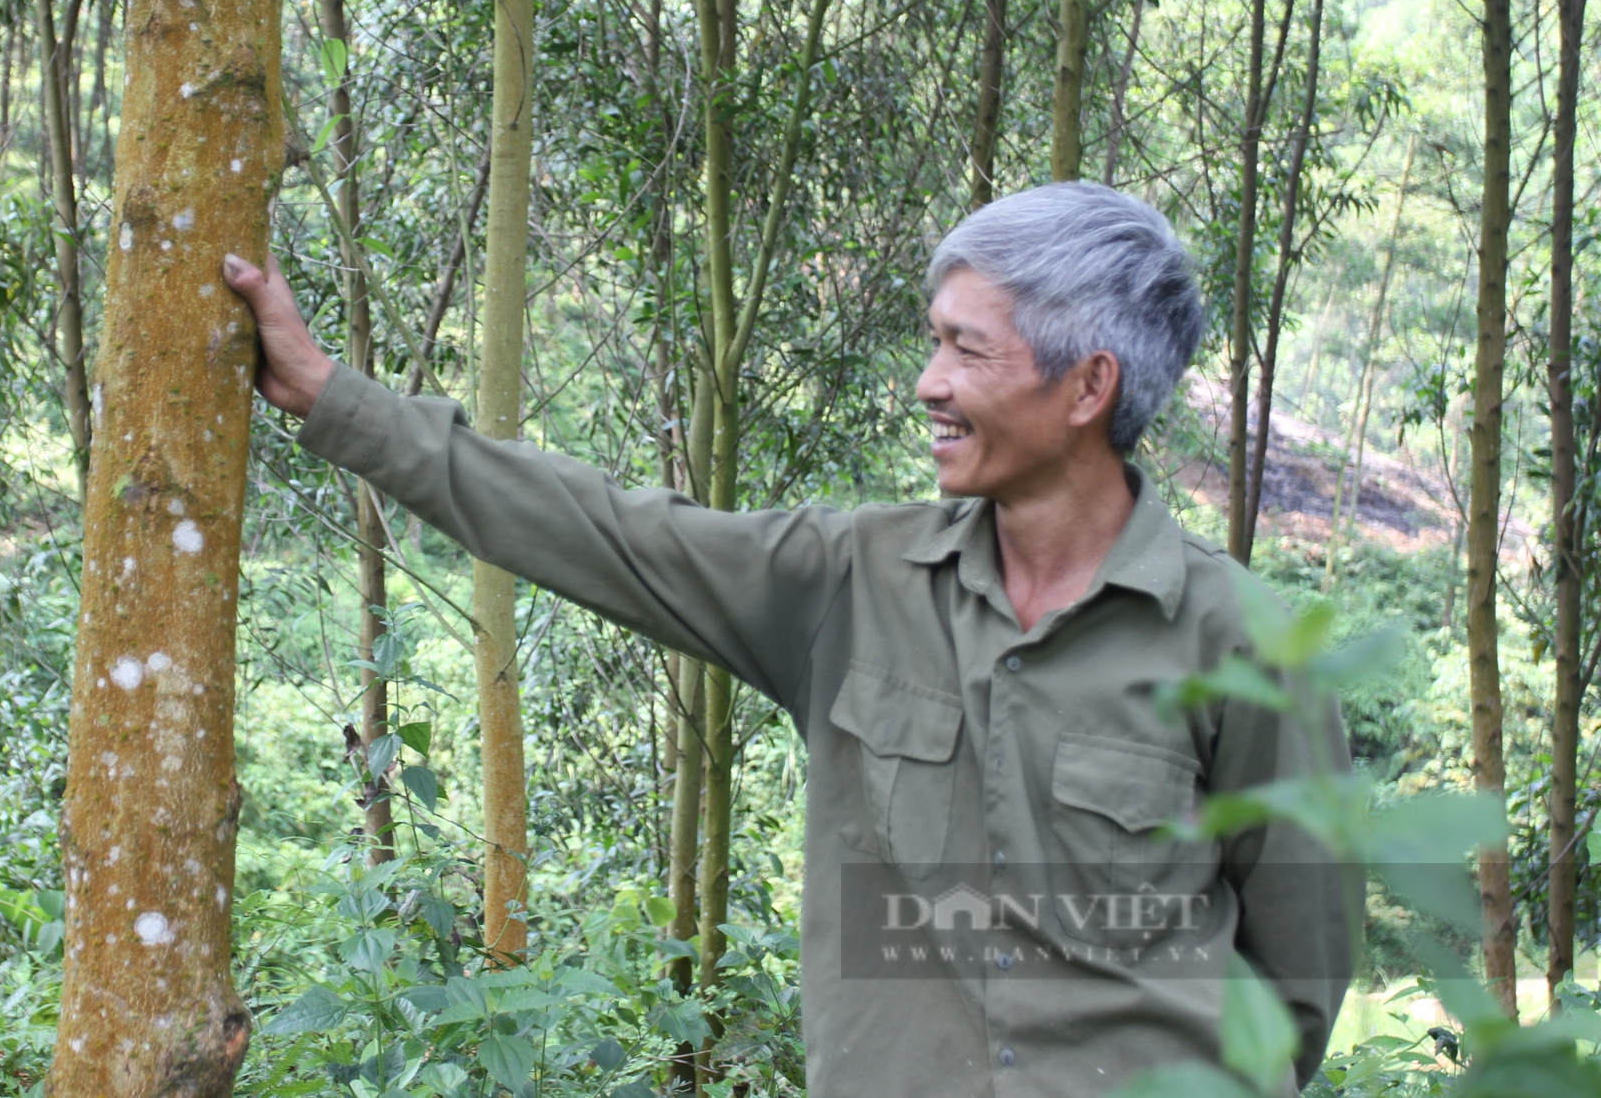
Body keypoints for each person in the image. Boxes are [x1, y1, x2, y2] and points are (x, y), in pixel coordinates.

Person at [223, 181, 1352, 1097]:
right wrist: (337, 399)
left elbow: (1295, 985)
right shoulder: (852, 580)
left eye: (967, 352)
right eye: (932, 344)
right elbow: (611, 534)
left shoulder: (1251, 648)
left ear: (1086, 386)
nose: (928, 384)